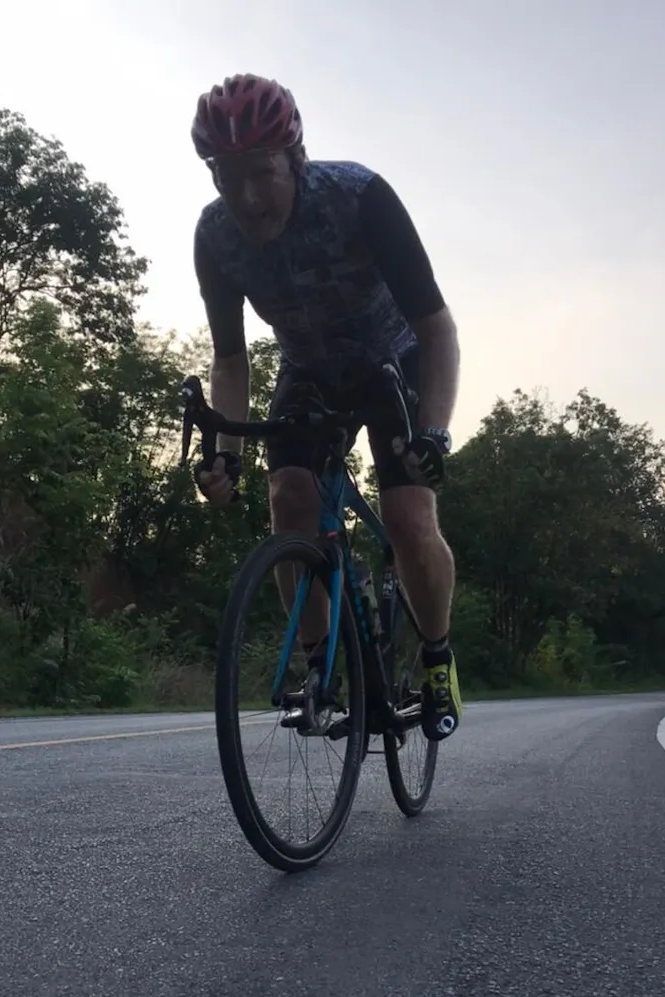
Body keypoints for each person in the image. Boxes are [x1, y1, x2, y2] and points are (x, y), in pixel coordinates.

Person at [190, 73, 462, 742]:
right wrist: (226, 455)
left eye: (261, 172)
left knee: (408, 516)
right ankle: (319, 672)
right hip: (309, 370)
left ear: (297, 159)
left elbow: (436, 328)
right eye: (227, 177)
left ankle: (437, 657)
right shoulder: (216, 236)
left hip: (392, 359)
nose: (247, 197)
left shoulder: (359, 197)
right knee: (288, 499)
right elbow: (230, 360)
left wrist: (433, 431)